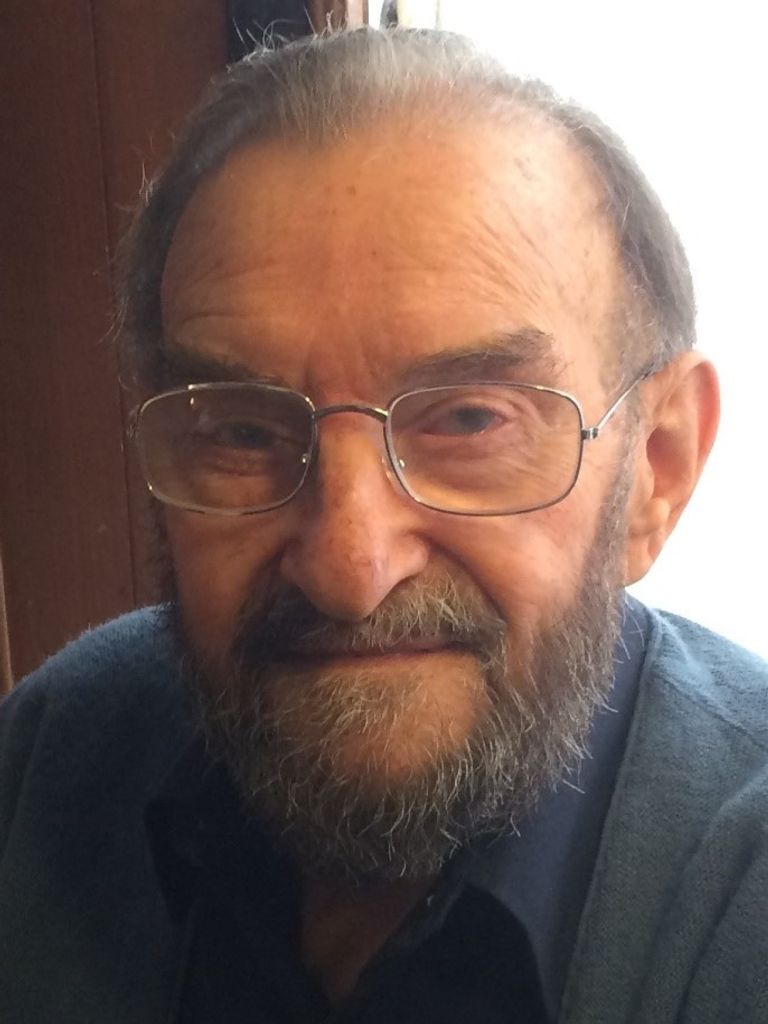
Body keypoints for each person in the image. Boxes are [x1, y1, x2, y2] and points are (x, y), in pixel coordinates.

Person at [1, 27, 766, 1024]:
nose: (349, 567)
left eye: (470, 420)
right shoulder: (52, 757)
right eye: (243, 431)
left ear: (657, 466)